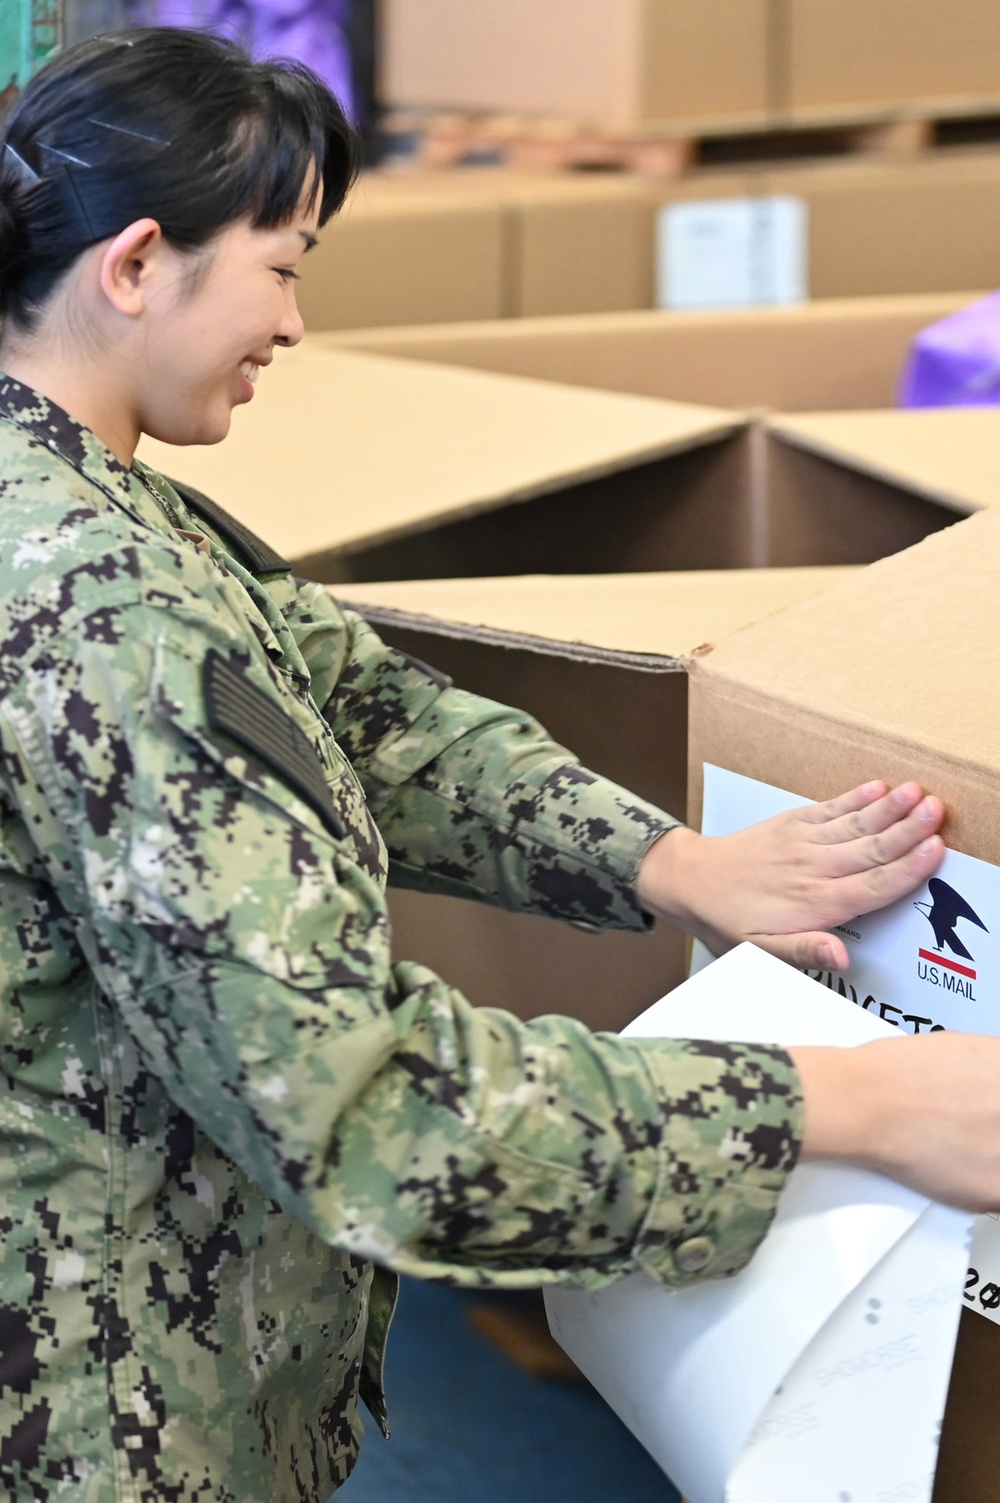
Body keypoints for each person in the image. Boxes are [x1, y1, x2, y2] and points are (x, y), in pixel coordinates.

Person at [1, 28, 999, 1503]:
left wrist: (670, 864)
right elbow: (369, 1114)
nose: (291, 324)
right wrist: (857, 1109)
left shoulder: (88, 500)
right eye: (282, 266)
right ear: (140, 263)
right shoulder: (103, 609)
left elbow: (357, 707)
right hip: (91, 1408)